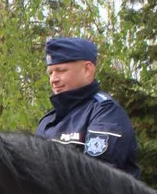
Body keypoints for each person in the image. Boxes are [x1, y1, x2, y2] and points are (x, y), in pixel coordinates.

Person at [37, 37, 141, 178]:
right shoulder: (47, 122)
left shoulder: (105, 114)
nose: (53, 79)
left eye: (61, 70)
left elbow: (96, 177)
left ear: (87, 70)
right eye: (50, 72)